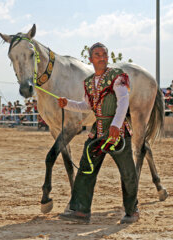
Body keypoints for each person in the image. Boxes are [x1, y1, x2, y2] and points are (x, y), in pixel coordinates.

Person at [58, 42, 139, 224]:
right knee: (86, 168)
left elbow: (123, 101)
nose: (101, 58)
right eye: (97, 55)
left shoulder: (117, 77)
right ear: (90, 59)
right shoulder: (88, 82)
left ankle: (132, 211)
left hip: (117, 133)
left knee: (127, 172)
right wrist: (67, 103)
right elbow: (87, 106)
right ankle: (81, 211)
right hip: (98, 132)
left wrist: (116, 125)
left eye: (104, 54)